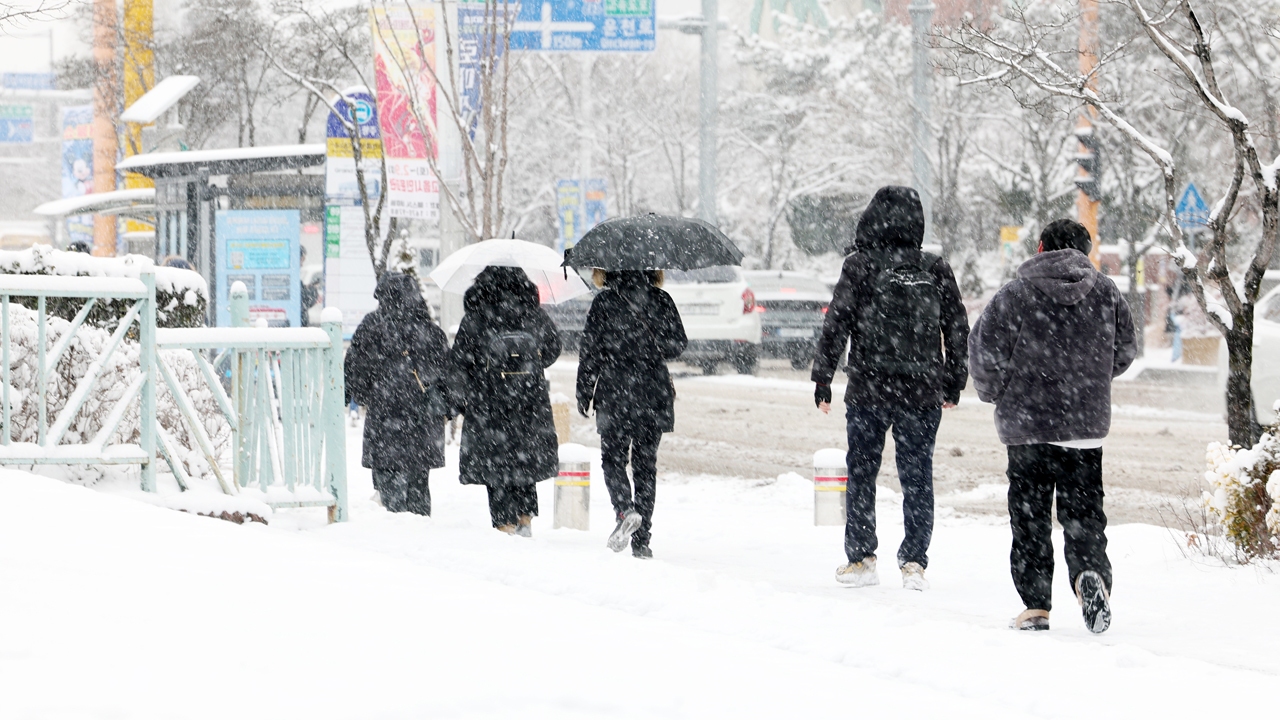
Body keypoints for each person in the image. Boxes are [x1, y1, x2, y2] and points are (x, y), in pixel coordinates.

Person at [969, 219, 1136, 634]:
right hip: (1085, 426)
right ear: (1086, 252)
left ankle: (1036, 605)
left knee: (1030, 516)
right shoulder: (1107, 293)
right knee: (1084, 513)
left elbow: (983, 351)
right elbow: (1126, 350)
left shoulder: (1015, 294)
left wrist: (995, 392)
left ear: (1041, 246)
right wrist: (1093, 381)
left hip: (1028, 426)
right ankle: (1088, 576)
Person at [811, 185, 969, 591]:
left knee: (862, 472)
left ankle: (861, 557)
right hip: (921, 390)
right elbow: (956, 328)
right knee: (917, 476)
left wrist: (823, 377)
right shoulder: (935, 268)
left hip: (869, 388)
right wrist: (954, 382)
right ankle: (914, 562)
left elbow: (837, 323)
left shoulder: (859, 265)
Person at [577, 269, 687, 559]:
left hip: (615, 391)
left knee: (612, 459)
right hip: (653, 391)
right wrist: (652, 345)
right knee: (645, 465)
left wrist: (584, 391)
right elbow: (679, 344)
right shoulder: (661, 300)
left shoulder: (604, 303)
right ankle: (643, 541)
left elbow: (590, 352)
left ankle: (625, 510)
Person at [447, 266, 561, 536]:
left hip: (489, 402)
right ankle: (525, 517)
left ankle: (504, 523)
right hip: (528, 401)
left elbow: (459, 361)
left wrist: (461, 398)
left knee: (495, 464)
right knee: (524, 460)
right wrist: (529, 366)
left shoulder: (476, 316)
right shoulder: (534, 314)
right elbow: (554, 347)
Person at [344, 272, 450, 516]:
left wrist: (364, 396)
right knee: (419, 484)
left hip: (385, 420)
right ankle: (419, 530)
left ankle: (397, 528)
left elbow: (355, 368)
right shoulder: (430, 330)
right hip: (422, 422)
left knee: (389, 483)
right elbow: (448, 373)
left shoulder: (372, 326)